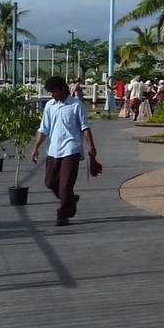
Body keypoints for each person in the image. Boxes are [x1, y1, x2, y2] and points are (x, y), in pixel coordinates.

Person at [30, 75, 98, 227]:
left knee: (66, 184)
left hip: (71, 149)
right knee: (50, 182)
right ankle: (70, 199)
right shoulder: (50, 106)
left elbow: (85, 127)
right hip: (53, 149)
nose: (52, 94)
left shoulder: (76, 105)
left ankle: (63, 213)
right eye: (50, 92)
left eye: (54, 91)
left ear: (63, 89)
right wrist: (35, 148)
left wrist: (91, 147)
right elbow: (44, 128)